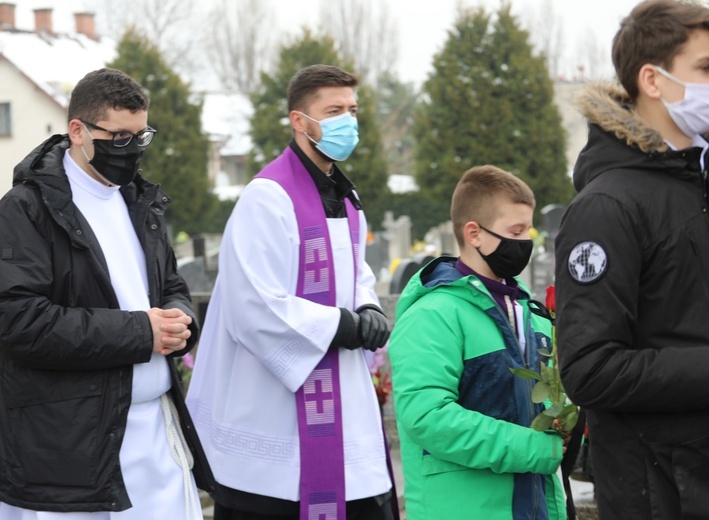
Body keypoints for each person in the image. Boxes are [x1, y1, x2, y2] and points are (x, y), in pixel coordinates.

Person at [0, 68, 212, 519]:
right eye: (118, 138)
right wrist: (141, 332)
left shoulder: (140, 201)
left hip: (156, 433)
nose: (132, 151)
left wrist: (178, 320)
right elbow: (20, 321)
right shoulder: (26, 209)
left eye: (141, 136)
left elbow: (169, 284)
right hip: (72, 448)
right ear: (77, 130)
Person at [186, 64, 396, 520]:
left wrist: (367, 305)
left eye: (353, 110)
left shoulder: (343, 194)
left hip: (343, 403)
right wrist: (342, 324)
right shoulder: (267, 197)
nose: (349, 121)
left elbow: (355, 270)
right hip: (274, 420)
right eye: (334, 110)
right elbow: (253, 307)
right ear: (300, 121)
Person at [554, 1, 709, 518]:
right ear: (654, 80)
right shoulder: (608, 205)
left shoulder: (697, 185)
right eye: (705, 69)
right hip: (663, 490)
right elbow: (590, 368)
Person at [388, 165, 566, 520]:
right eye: (515, 231)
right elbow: (428, 418)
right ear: (474, 234)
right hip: (465, 508)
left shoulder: (527, 310)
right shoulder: (434, 314)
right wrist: (536, 449)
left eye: (528, 230)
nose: (525, 243)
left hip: (531, 505)